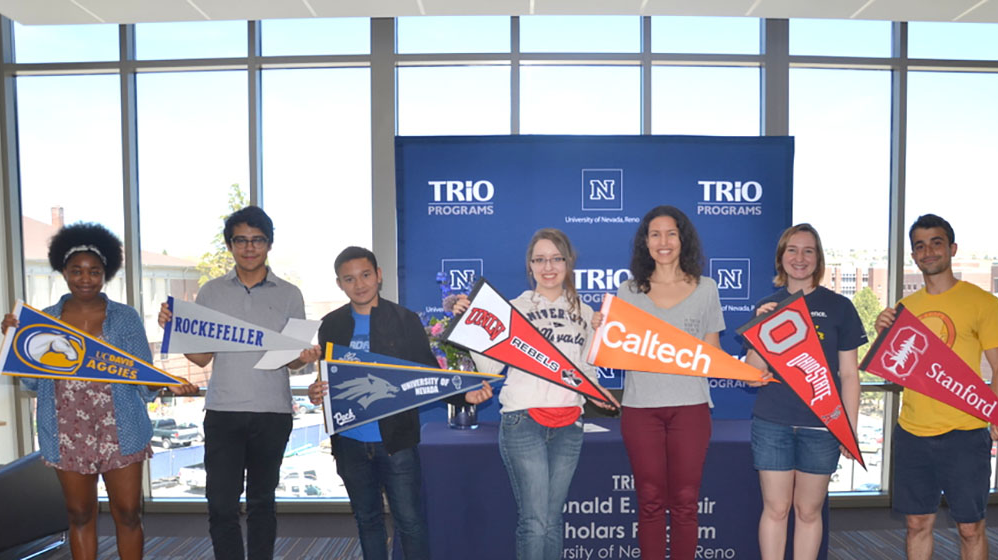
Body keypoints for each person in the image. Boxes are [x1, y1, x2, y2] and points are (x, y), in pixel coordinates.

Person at [0, 223, 197, 560]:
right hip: (66, 430)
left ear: (106, 274)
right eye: (76, 270)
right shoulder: (43, 322)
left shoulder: (125, 318)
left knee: (129, 514)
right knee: (78, 515)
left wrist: (165, 382)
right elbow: (32, 383)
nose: (85, 278)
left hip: (121, 429)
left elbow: (143, 378)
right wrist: (12, 343)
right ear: (62, 272)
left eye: (94, 271)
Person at [307, 246, 493, 560]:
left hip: (397, 442)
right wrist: (316, 392)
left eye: (366, 275)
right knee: (367, 521)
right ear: (339, 284)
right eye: (349, 279)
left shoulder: (405, 320)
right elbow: (328, 379)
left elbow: (428, 376)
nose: (359, 284)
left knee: (410, 523)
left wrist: (464, 395)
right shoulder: (331, 325)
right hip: (349, 442)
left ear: (378, 275)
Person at [158, 206, 320, 560]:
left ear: (269, 244)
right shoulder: (212, 292)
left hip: (273, 412)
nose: (249, 248)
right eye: (241, 240)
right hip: (223, 411)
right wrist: (174, 329)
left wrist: (303, 357)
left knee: (263, 503)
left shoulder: (290, 293)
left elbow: (292, 361)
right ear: (230, 245)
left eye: (257, 240)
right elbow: (202, 358)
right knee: (220, 505)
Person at [452, 228, 617, 560]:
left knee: (553, 521)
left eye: (557, 258)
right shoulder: (513, 309)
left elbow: (586, 372)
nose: (549, 267)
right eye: (540, 259)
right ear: (530, 266)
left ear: (569, 263)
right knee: (534, 522)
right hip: (522, 421)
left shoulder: (587, 314)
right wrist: (468, 324)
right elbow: (489, 368)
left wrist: (597, 394)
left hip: (570, 424)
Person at [874, 214, 998, 560]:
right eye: (919, 246)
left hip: (965, 434)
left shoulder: (983, 303)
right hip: (912, 434)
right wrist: (882, 336)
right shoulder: (906, 309)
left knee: (970, 528)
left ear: (951, 248)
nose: (928, 251)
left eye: (936, 242)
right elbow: (894, 374)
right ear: (914, 255)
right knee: (917, 524)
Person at [591, 205, 724, 559]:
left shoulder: (707, 288)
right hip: (640, 409)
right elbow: (615, 350)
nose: (663, 242)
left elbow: (713, 354)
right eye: (655, 234)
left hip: (691, 409)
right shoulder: (628, 291)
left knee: (685, 502)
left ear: (683, 239)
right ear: (645, 243)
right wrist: (600, 333)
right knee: (649, 502)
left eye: (671, 233)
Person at [744, 224, 866, 560]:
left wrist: (849, 429)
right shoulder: (766, 305)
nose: (800, 258)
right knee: (776, 509)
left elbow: (849, 375)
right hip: (773, 422)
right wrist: (757, 327)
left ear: (818, 258)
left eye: (808, 250)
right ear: (781, 258)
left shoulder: (840, 308)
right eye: (792, 250)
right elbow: (754, 373)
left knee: (809, 512)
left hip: (822, 426)